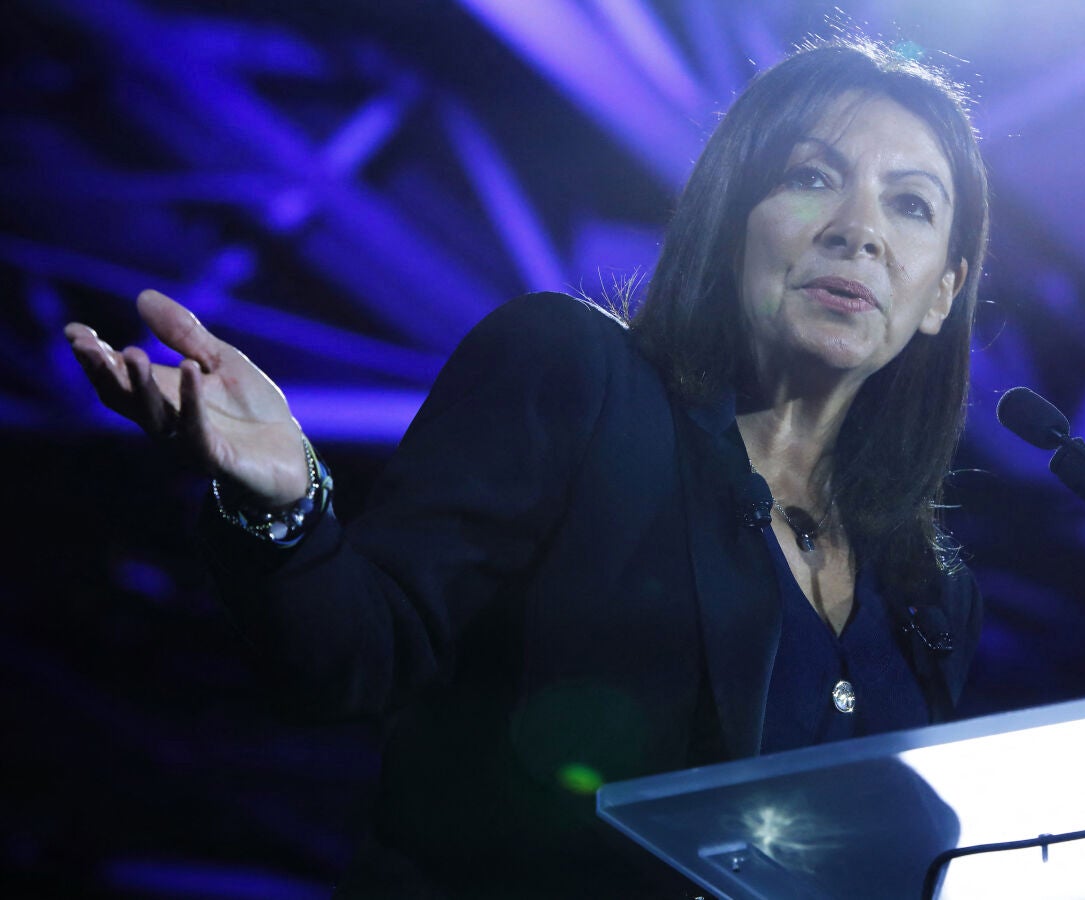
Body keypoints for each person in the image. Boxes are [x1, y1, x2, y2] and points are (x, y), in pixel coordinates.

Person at [64, 37, 990, 897]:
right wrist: (285, 507)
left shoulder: (928, 592)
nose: (860, 230)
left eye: (910, 205)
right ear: (732, 218)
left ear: (942, 293)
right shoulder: (578, 378)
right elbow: (355, 656)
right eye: (812, 177)